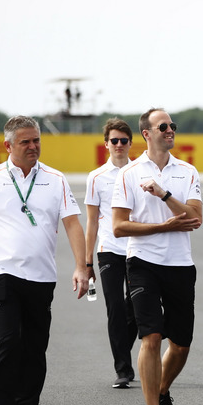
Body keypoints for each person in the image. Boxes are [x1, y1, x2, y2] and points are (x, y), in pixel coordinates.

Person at [0, 115, 89, 405]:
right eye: (25, 142)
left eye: (36, 141)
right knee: (9, 342)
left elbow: (73, 224)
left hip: (42, 277)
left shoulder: (55, 179)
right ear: (8, 145)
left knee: (35, 348)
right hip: (2, 274)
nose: (33, 146)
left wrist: (81, 266)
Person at [111, 108, 202, 405]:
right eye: (163, 126)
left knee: (180, 344)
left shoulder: (187, 171)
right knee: (151, 337)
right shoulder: (129, 173)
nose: (170, 130)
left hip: (180, 264)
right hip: (143, 263)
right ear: (147, 134)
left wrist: (164, 195)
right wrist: (164, 226)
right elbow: (119, 228)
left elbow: (194, 219)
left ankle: (162, 390)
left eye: (172, 126)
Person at [85, 118, 137, 389]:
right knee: (115, 308)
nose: (119, 145)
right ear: (106, 144)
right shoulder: (96, 177)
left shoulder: (140, 172)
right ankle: (123, 368)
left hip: (137, 250)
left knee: (135, 308)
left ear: (130, 143)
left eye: (124, 141)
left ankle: (123, 352)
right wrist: (86, 262)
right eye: (114, 141)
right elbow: (91, 222)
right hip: (108, 251)